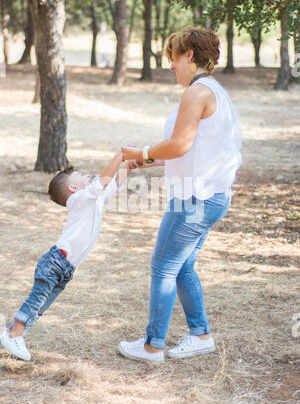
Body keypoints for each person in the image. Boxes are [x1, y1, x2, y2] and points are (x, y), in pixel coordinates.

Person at [118, 26, 242, 363]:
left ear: (189, 55)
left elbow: (179, 144)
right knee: (183, 265)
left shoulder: (196, 93)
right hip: (210, 196)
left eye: (172, 57)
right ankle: (200, 334)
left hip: (195, 199)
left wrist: (137, 149)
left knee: (162, 267)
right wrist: (142, 160)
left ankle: (152, 346)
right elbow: (190, 148)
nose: (170, 65)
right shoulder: (212, 90)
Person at [0, 152, 132, 361]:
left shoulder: (93, 201)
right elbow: (104, 180)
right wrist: (120, 155)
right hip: (56, 262)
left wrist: (128, 166)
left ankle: (12, 333)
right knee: (37, 300)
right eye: (83, 176)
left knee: (41, 306)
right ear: (73, 188)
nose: (89, 176)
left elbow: (113, 185)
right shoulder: (78, 200)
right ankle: (14, 334)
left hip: (66, 268)